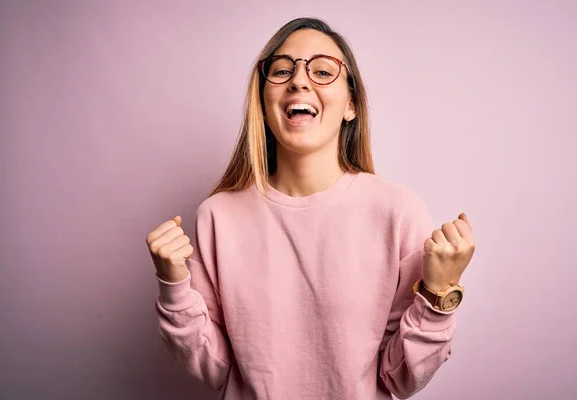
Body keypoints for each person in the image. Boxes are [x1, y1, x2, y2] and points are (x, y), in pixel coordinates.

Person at [146, 17, 476, 400]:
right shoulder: (216, 217)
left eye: (322, 71)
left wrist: (439, 293)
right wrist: (173, 285)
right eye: (283, 70)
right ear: (264, 103)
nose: (299, 81)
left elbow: (398, 379)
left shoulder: (398, 213)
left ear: (351, 104)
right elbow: (214, 367)